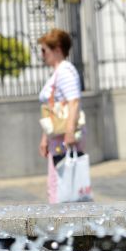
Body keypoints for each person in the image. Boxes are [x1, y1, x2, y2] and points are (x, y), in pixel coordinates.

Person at [37, 28, 85, 204]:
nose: (42, 55)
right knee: (58, 185)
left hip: (63, 139)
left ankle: (65, 226)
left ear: (57, 49)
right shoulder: (59, 72)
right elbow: (52, 109)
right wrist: (45, 138)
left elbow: (73, 102)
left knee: (63, 187)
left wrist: (70, 132)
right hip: (57, 138)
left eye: (44, 50)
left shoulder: (65, 71)